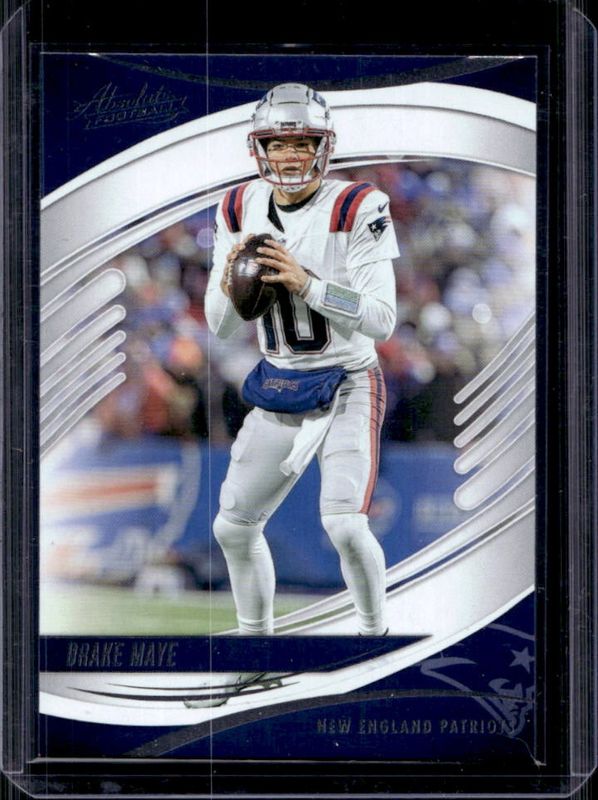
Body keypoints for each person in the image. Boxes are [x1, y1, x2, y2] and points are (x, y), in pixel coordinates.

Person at [205, 82, 399, 639]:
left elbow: (382, 320)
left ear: (323, 146)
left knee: (344, 525)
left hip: (347, 380)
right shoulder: (237, 206)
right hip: (282, 382)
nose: (290, 156)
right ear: (259, 148)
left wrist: (308, 285)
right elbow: (220, 325)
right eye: (278, 144)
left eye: (302, 143)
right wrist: (229, 283)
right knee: (233, 528)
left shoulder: (358, 205)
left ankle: (373, 639)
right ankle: (256, 652)